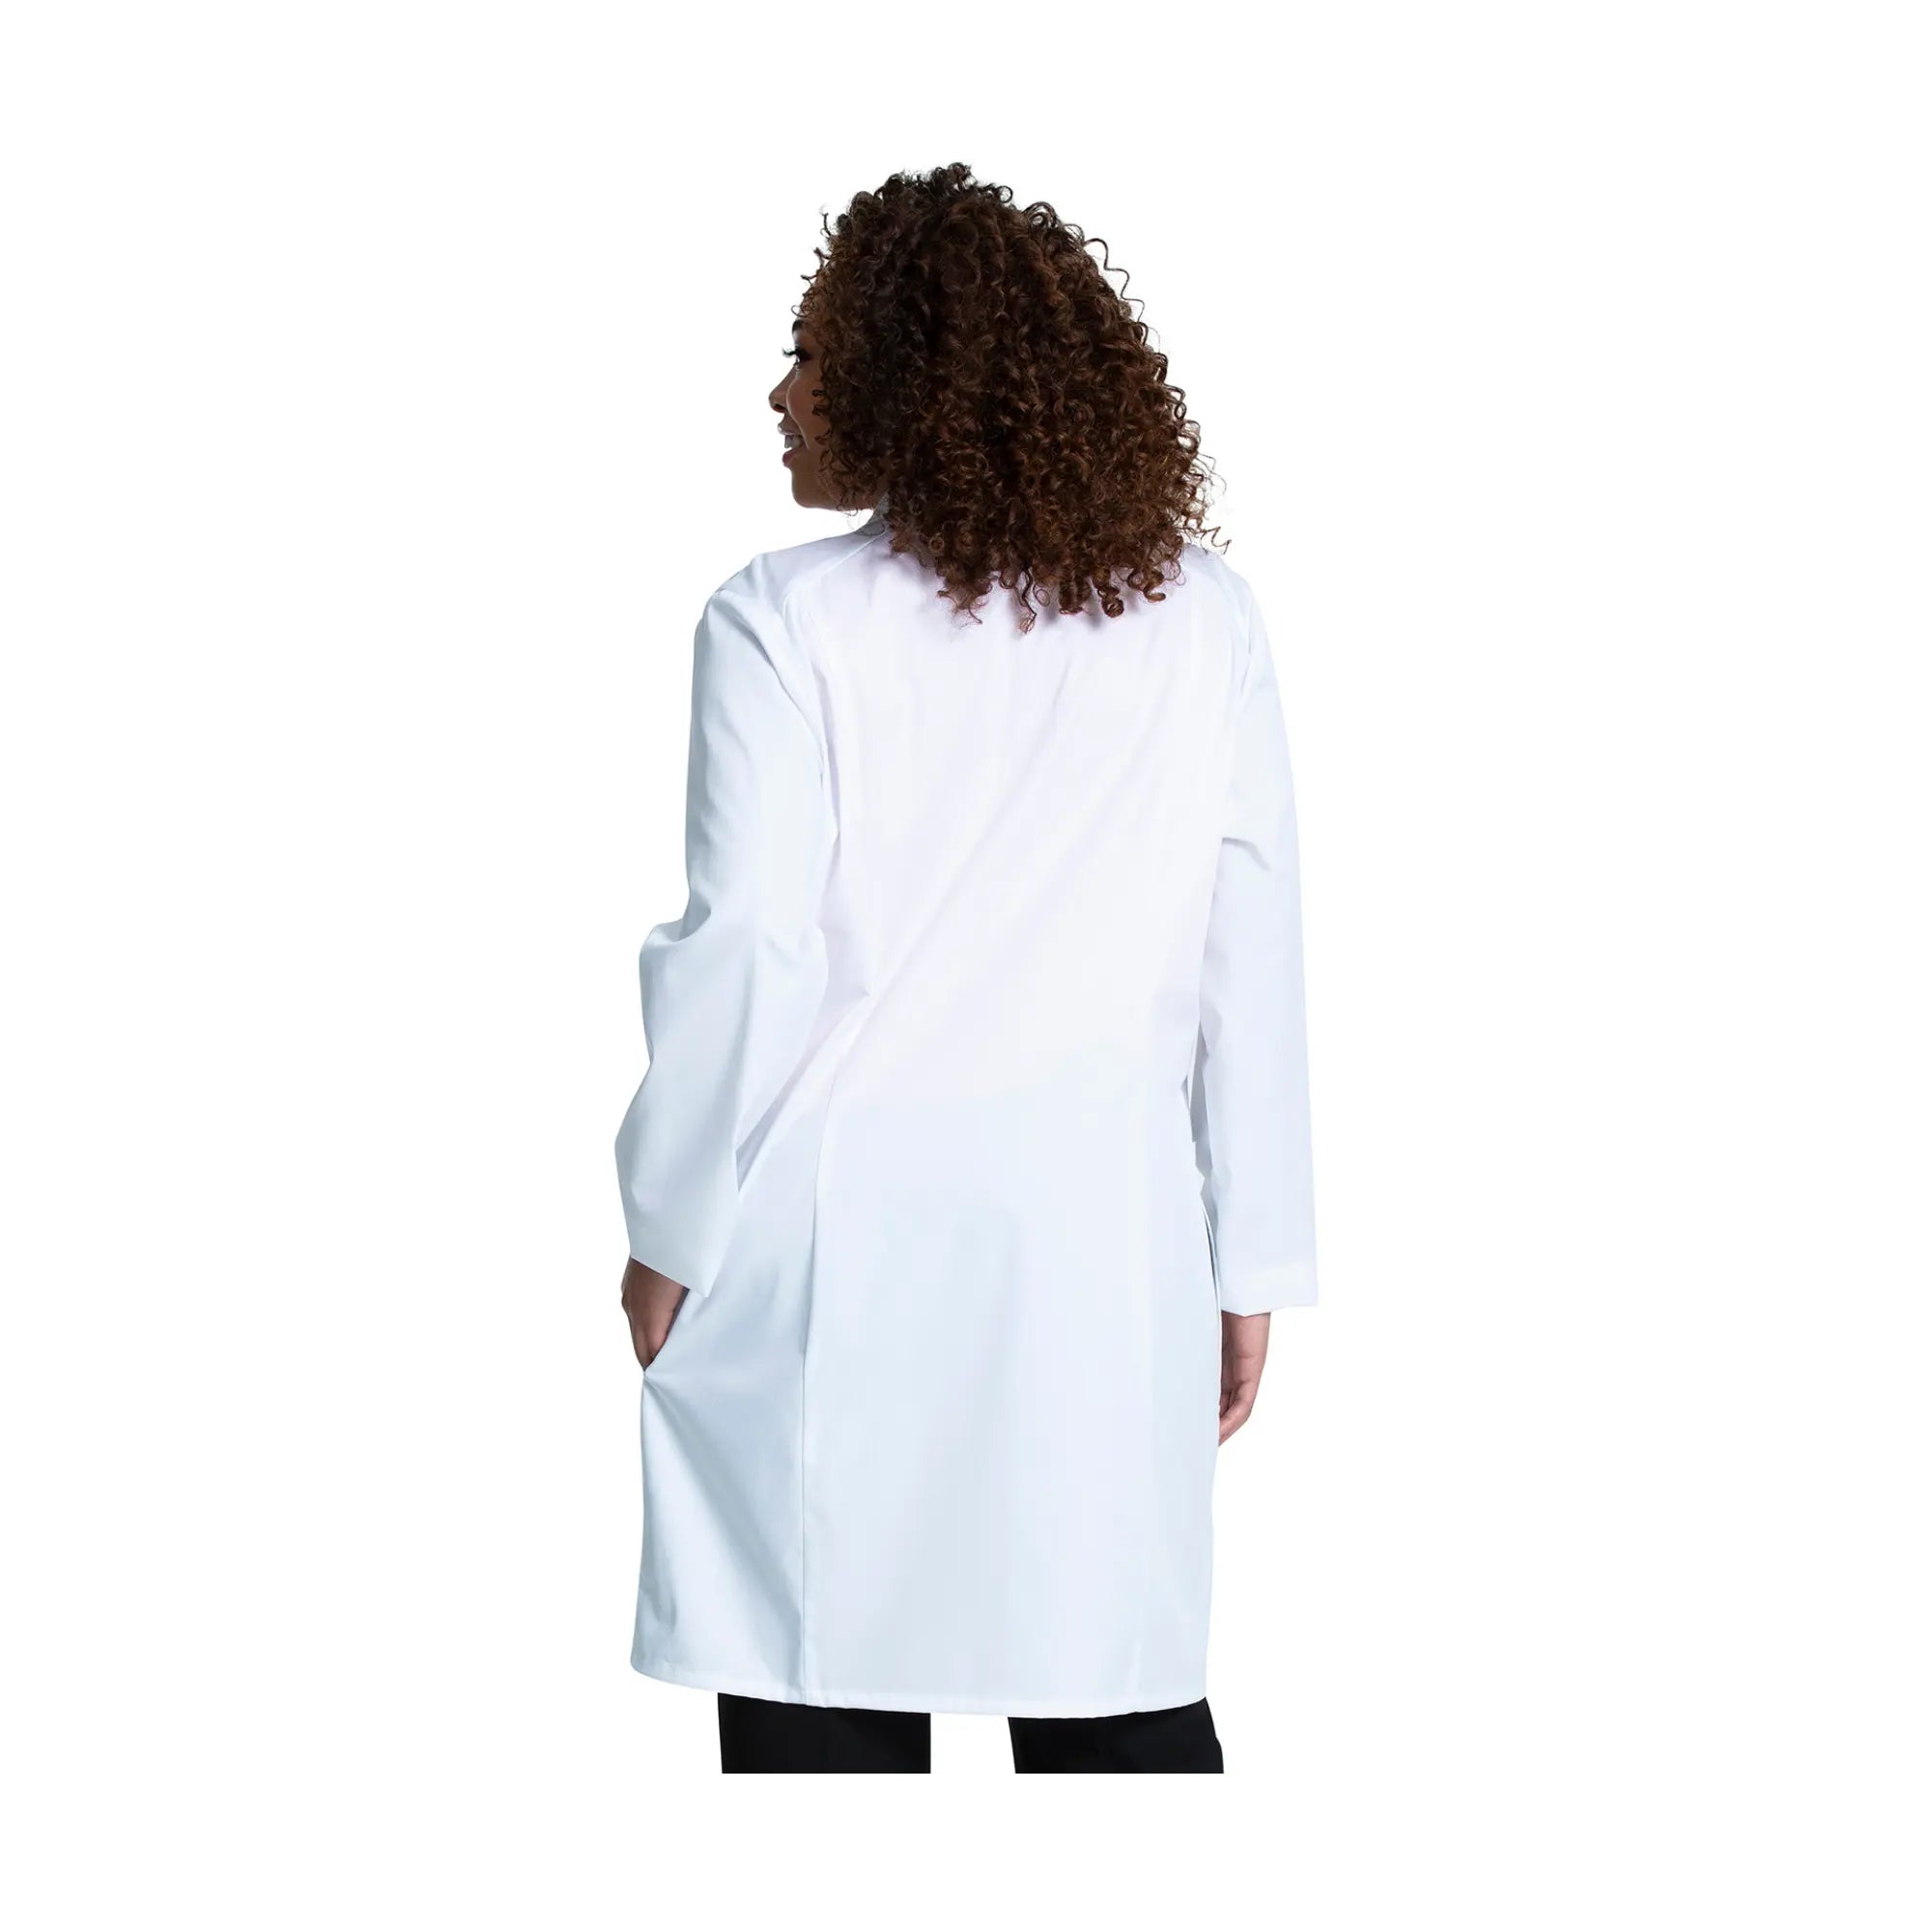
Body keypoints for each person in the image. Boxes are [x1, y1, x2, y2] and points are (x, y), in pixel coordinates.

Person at [615, 163, 1317, 1774]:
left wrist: (667, 1228)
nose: (782, 393)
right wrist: (1251, 1259)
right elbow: (1252, 957)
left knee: (820, 1712)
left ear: (903, 376)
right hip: (1102, 1258)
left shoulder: (782, 622)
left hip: (828, 1263)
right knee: (1115, 1709)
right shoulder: (1204, 620)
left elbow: (748, 949)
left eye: (811, 352)